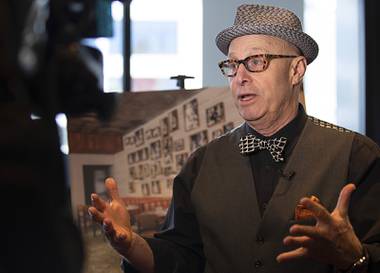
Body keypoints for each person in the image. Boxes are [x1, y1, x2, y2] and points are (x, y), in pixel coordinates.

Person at [88, 4, 380, 273]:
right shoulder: (201, 164)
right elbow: (180, 257)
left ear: (296, 70)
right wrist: (130, 246)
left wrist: (354, 257)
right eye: (232, 65)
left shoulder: (356, 156)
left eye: (255, 61)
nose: (239, 76)